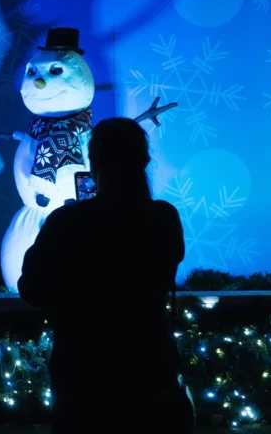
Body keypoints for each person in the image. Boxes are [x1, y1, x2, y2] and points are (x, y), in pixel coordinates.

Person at [18, 117, 186, 433]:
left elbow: (31, 288)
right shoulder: (164, 218)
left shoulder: (66, 222)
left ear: (93, 162)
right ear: (144, 161)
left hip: (81, 366)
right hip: (147, 361)